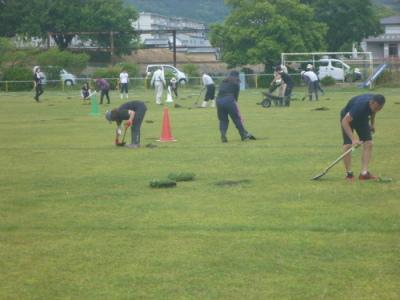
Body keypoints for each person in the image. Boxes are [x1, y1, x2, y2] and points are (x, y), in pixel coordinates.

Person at [340, 94, 385, 181]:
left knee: (369, 143)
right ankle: (349, 174)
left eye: (379, 109)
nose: (377, 110)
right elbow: (345, 121)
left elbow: (373, 112)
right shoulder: (360, 107)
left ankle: (364, 174)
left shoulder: (375, 103)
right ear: (371, 103)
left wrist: (372, 124)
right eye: (376, 108)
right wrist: (353, 139)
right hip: (347, 119)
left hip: (362, 119)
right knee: (348, 145)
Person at [216, 71, 256, 143]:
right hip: (229, 100)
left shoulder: (223, 82)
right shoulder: (236, 84)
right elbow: (235, 101)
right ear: (237, 77)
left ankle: (223, 134)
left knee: (223, 120)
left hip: (219, 100)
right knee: (236, 118)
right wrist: (240, 115)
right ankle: (243, 134)